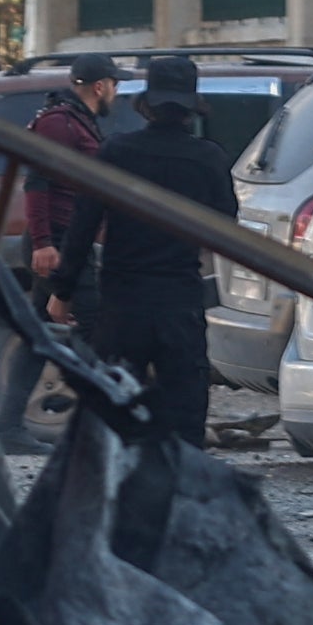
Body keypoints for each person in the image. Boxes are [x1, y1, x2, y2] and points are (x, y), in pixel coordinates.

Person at [79, 54, 239, 448]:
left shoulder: (116, 151)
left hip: (122, 302)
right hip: (179, 302)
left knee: (110, 419)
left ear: (146, 104)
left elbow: (83, 223)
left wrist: (64, 288)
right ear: (192, 107)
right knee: (185, 421)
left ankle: (110, 499)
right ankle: (178, 500)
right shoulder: (209, 158)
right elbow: (225, 228)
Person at [14, 57, 111, 309]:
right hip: (57, 241)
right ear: (100, 87)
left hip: (72, 238)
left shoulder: (80, 120)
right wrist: (43, 243)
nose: (116, 91)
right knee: (90, 320)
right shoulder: (59, 121)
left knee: (42, 329)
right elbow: (37, 182)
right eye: (115, 84)